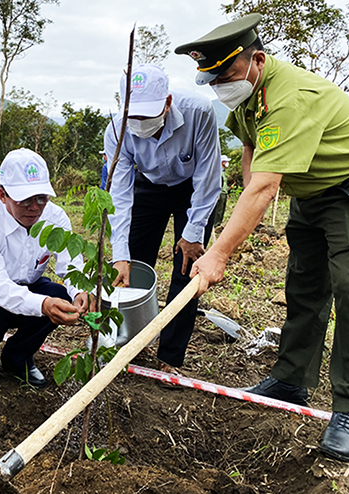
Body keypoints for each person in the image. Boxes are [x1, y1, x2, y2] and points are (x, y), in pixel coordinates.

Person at [176, 14, 349, 462]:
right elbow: (251, 153)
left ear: (256, 59)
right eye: (213, 78)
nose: (221, 85)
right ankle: (292, 379)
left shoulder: (290, 96)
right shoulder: (246, 94)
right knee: (303, 284)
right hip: (310, 191)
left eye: (227, 74)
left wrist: (219, 252)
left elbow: (264, 186)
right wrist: (249, 207)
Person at [105, 63, 222, 372]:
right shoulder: (117, 130)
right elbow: (119, 194)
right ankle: (125, 343)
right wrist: (120, 254)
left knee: (187, 271)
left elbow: (209, 177)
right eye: (135, 116)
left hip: (192, 189)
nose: (140, 123)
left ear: (167, 102)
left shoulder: (199, 112)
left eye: (148, 115)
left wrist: (194, 231)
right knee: (131, 267)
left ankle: (169, 357)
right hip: (148, 188)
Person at [0, 148, 89, 399]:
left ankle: (18, 357)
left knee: (58, 292)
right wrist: (44, 304)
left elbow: (69, 263)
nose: (35, 207)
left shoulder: (55, 217)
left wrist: (80, 290)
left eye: (41, 198)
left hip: (26, 288)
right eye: (24, 200)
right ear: (2, 195)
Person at [214, 155, 230, 228]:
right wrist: (218, 194)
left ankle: (219, 223)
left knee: (222, 210)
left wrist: (227, 193)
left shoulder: (223, 172)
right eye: (225, 161)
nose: (227, 163)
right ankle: (215, 224)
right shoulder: (218, 172)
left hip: (224, 193)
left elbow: (225, 184)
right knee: (218, 210)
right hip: (220, 193)